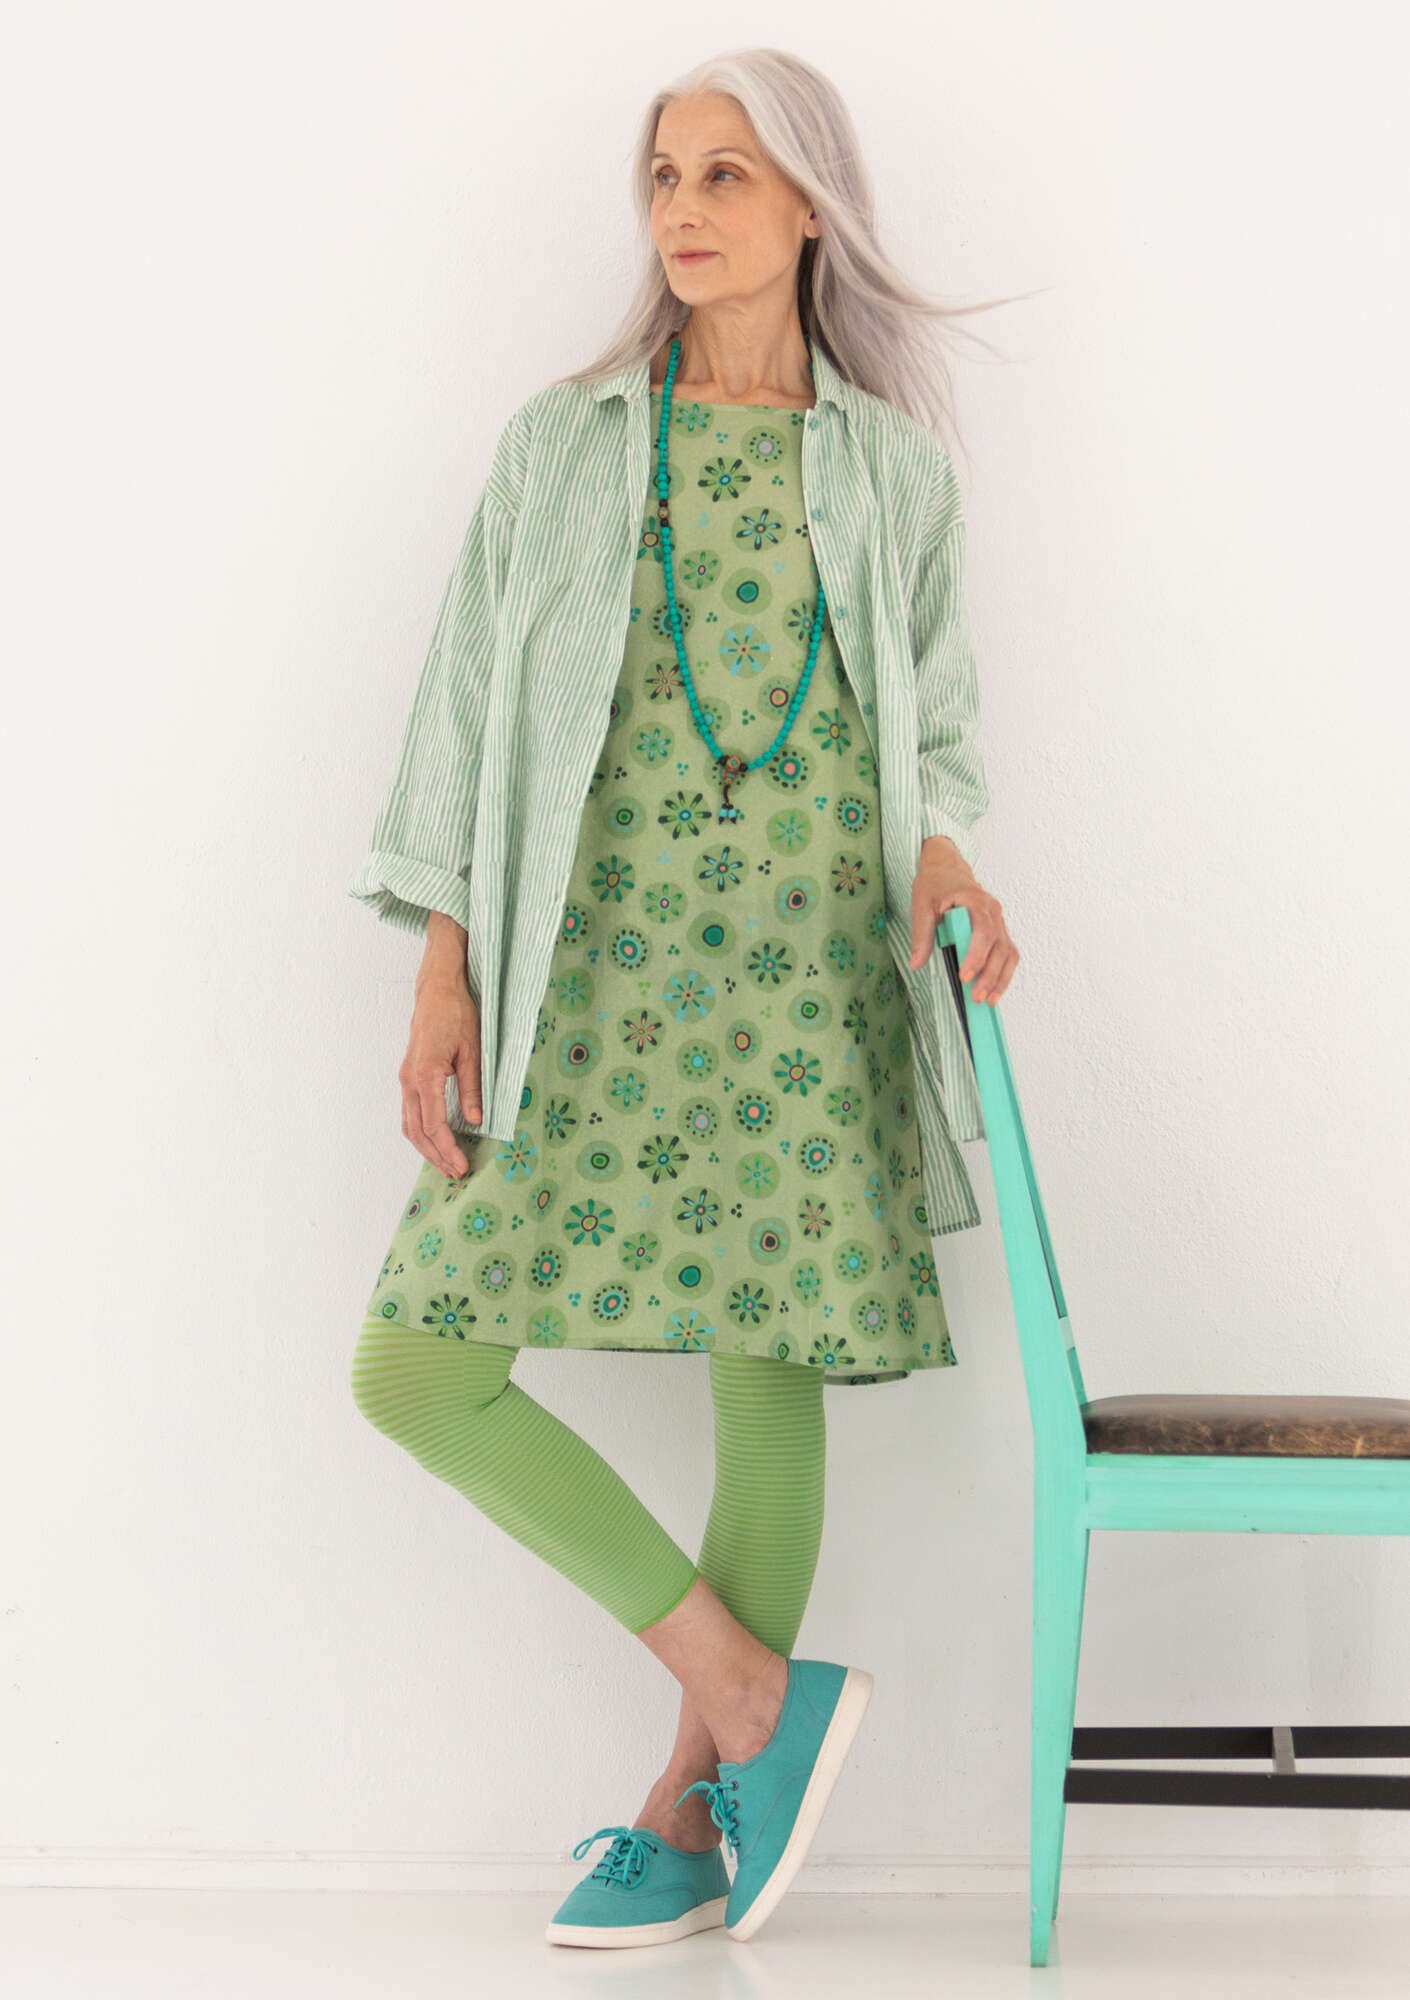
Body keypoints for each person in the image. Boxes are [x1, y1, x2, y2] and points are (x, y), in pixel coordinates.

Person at [346, 47, 1020, 1950]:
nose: (686, 210)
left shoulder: (889, 472)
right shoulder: (564, 447)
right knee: (415, 1366)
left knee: (765, 1378)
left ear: (809, 205)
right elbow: (466, 707)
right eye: (663, 176)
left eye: (726, 174)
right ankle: (750, 1698)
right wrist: (443, 966)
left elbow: (934, 736)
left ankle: (689, 1812)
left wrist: (952, 867)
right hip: (582, 976)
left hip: (804, 982)